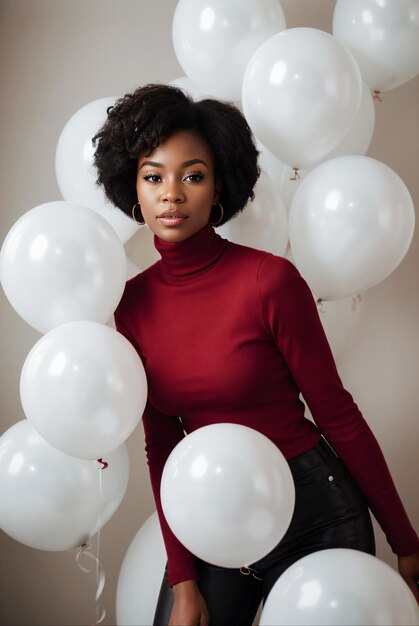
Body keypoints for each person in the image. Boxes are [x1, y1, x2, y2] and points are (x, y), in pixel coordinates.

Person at [93, 84, 419, 626]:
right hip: (215, 517)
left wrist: (405, 540)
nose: (171, 194)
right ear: (134, 188)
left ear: (219, 185)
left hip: (316, 517)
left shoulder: (269, 281)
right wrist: (184, 580)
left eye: (192, 175)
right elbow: (163, 443)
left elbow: (336, 412)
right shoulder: (130, 306)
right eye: (154, 176)